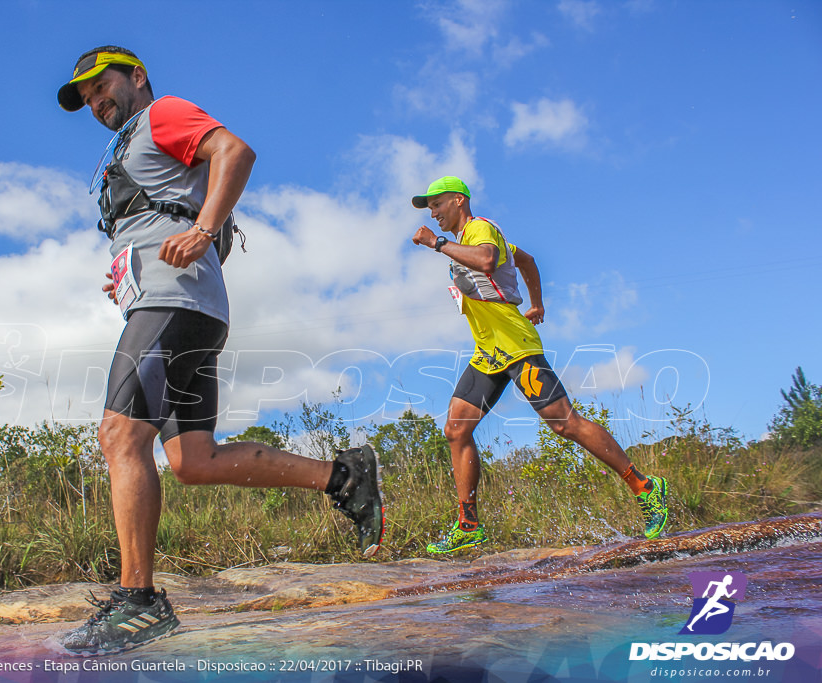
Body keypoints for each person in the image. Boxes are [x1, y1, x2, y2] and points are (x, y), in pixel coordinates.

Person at [56, 46, 383, 655]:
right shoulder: (132, 148)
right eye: (87, 99)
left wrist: (202, 231)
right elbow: (171, 218)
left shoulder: (162, 114)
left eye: (102, 87)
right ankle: (343, 476)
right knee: (193, 460)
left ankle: (139, 602)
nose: (97, 102)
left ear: (136, 76)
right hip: (178, 306)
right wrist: (129, 265)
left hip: (172, 306)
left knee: (121, 436)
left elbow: (235, 151)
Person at [410, 176, 668, 554]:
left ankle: (644, 487)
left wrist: (436, 244)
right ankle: (468, 525)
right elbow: (526, 260)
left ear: (458, 200)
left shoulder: (480, 229)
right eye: (429, 208)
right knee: (456, 429)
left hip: (516, 347)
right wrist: (537, 303)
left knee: (564, 423)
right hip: (488, 353)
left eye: (436, 204)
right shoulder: (470, 239)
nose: (433, 213)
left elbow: (486, 260)